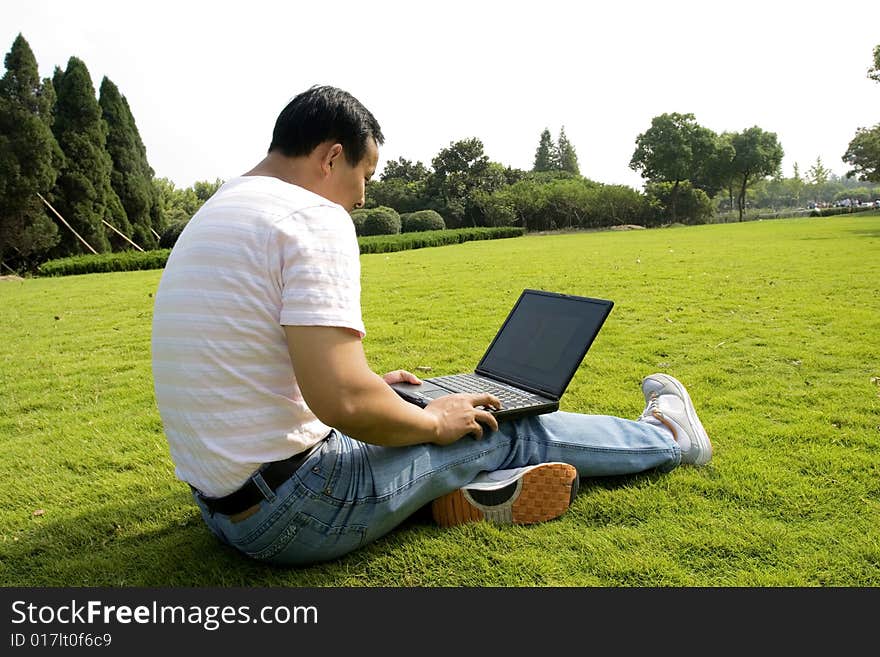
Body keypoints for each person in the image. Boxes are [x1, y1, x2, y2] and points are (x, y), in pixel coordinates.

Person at [150, 85, 712, 567]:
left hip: (226, 509)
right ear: (331, 158)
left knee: (424, 405)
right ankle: (669, 439)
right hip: (299, 513)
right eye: (365, 174)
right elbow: (342, 400)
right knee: (498, 424)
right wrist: (431, 422)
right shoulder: (309, 216)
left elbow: (264, 364)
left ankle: (468, 493)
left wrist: (383, 393)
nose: (364, 197)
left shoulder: (218, 209)